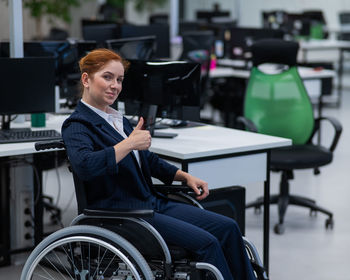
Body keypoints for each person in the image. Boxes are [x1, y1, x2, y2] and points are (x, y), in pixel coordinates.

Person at [62, 48, 257, 280]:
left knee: (229, 228)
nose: (115, 85)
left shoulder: (117, 119)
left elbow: (148, 161)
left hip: (152, 203)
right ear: (86, 79)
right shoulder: (77, 124)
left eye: (120, 80)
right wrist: (129, 144)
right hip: (125, 214)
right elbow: (85, 165)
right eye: (107, 77)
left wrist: (183, 176)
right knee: (208, 243)